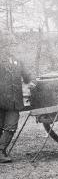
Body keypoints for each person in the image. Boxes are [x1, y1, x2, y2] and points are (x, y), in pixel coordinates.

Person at [0, 34, 33, 164]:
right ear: (3, 46)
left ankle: (1, 151)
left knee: (11, 126)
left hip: (14, 102)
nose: (13, 48)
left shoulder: (18, 61)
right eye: (10, 45)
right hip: (1, 100)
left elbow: (27, 76)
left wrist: (33, 81)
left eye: (14, 45)